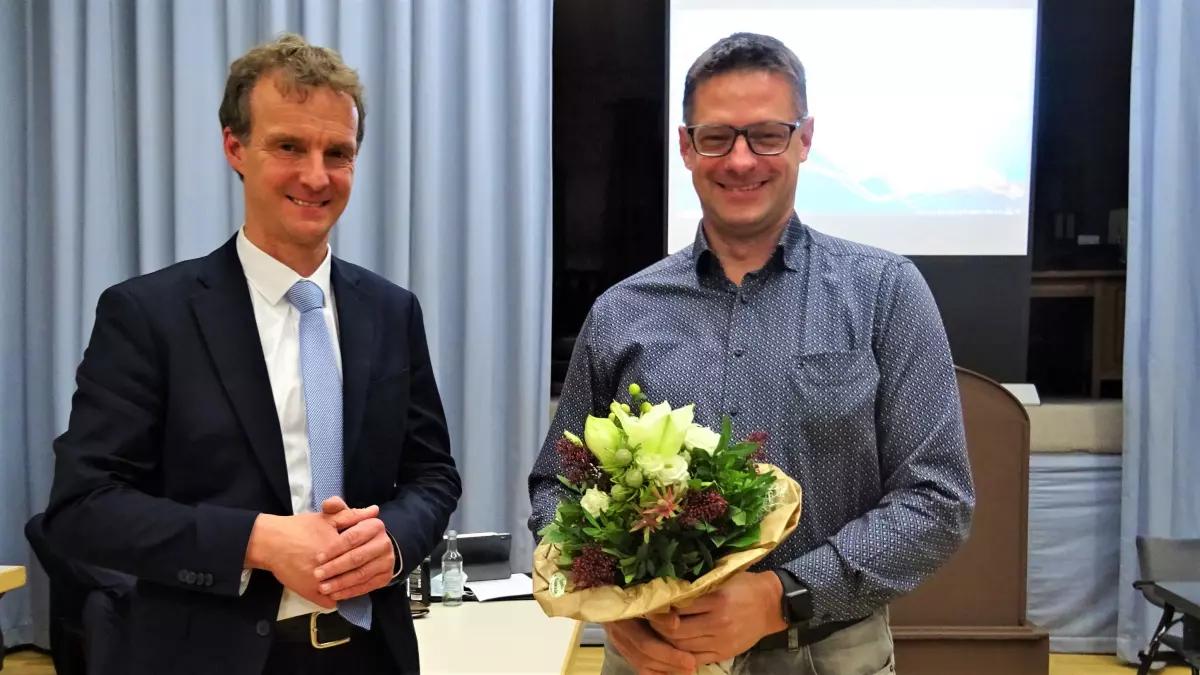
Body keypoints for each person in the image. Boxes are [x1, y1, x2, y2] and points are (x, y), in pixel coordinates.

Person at [528, 32, 974, 675]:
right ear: (686, 146)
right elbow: (558, 485)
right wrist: (611, 607)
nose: (741, 160)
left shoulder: (884, 293)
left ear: (804, 139)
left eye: (766, 134)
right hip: (653, 654)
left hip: (826, 652)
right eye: (716, 137)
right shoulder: (622, 310)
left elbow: (938, 499)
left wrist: (784, 595)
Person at [43, 33, 460, 675]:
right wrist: (256, 541)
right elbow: (84, 507)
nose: (316, 176)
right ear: (235, 147)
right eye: (289, 146)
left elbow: (433, 475)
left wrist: (395, 540)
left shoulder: (390, 310)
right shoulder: (150, 314)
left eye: (337, 153)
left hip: (371, 654)